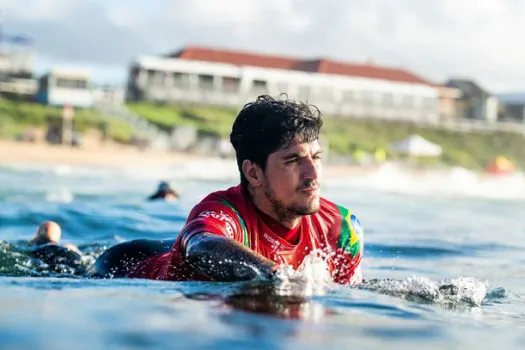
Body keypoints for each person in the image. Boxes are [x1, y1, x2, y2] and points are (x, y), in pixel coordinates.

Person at [89, 95, 364, 285]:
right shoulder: (224, 213)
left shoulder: (341, 230)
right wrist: (281, 278)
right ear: (254, 173)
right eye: (293, 161)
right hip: (123, 265)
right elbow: (201, 247)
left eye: (316, 157)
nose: (313, 174)